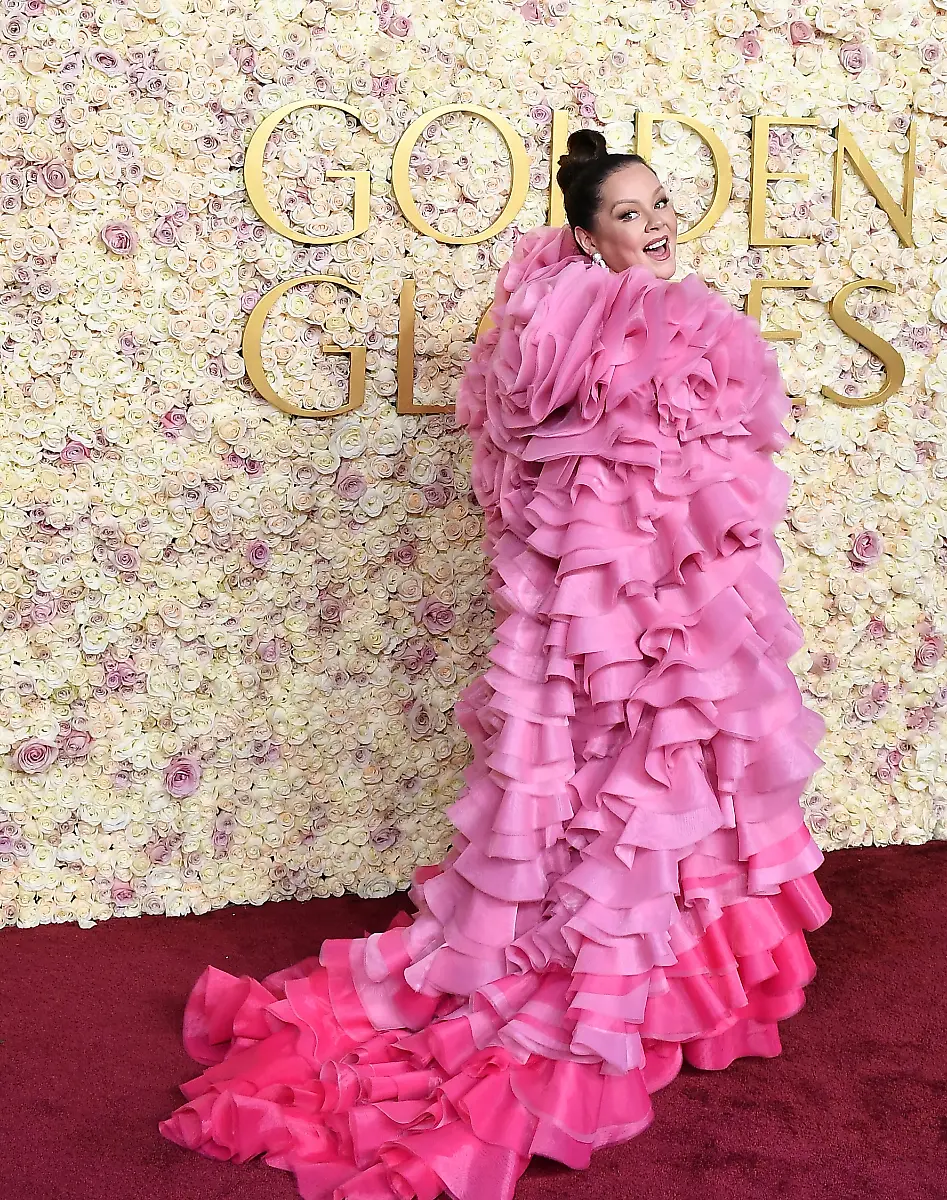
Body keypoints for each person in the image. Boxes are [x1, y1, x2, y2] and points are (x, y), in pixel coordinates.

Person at [160, 129, 832, 1200]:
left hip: (667, 602)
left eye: (661, 204)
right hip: (619, 611)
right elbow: (562, 482)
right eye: (629, 214)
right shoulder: (585, 327)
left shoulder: (607, 319)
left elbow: (685, 472)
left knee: (663, 779)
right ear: (588, 236)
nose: (657, 224)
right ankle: (617, 980)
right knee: (626, 786)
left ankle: (678, 977)